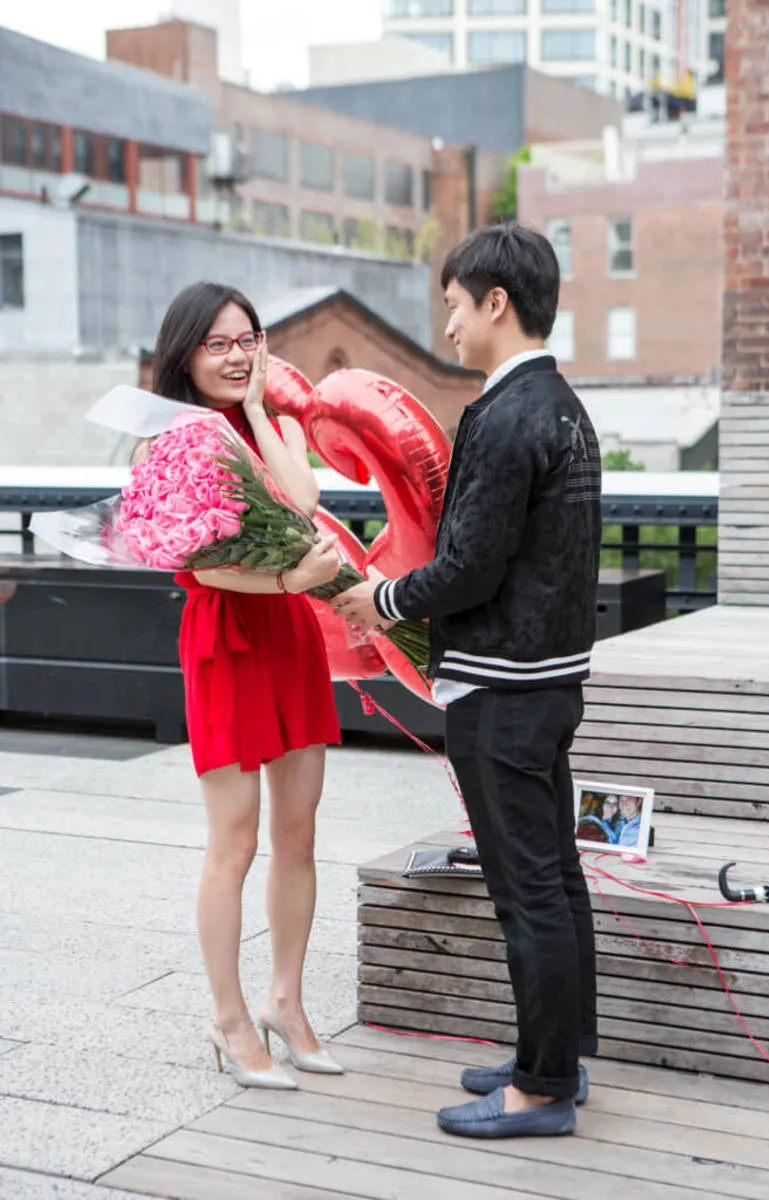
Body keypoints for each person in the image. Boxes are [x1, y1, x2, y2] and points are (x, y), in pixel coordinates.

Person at [334, 223, 602, 1139]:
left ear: (496, 302)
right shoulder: (564, 404)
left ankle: (541, 1089)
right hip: (552, 683)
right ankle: (559, 1056)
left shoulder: (502, 412)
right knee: (555, 877)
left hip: (503, 689)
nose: (446, 325)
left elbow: (470, 567)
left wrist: (383, 596)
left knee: (526, 886)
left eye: (452, 304)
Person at [151, 282, 344, 1088]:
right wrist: (292, 581)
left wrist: (262, 413)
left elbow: (302, 503)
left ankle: (286, 1004)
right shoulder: (169, 440)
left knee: (299, 837)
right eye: (218, 344)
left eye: (248, 340)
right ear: (186, 353)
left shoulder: (282, 422)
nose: (236, 356)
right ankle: (228, 1018)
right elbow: (198, 564)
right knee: (234, 842)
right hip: (227, 638)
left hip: (291, 636)